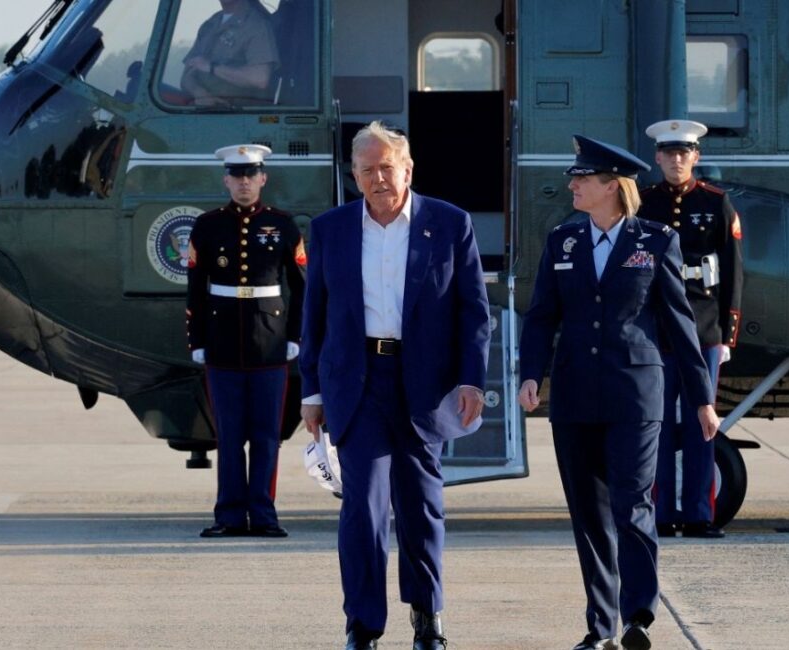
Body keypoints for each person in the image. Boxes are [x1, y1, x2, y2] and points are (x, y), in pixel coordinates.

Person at [517, 135, 719, 650]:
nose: (573, 184)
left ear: (612, 185)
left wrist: (702, 399)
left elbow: (679, 324)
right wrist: (529, 375)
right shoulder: (563, 241)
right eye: (574, 177)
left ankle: (638, 618)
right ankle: (599, 626)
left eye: (583, 178)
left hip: (635, 394)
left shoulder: (655, 242)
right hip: (575, 396)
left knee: (632, 506)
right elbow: (542, 316)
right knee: (588, 513)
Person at [298, 121, 490, 650]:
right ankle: (362, 624)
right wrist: (311, 392)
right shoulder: (331, 229)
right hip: (358, 384)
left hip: (425, 387)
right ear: (354, 175)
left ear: (407, 169)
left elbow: (474, 311)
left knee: (422, 507)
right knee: (361, 507)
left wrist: (473, 378)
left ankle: (428, 617)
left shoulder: (450, 224)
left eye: (388, 167)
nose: (379, 178)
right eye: (367, 170)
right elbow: (314, 316)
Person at [186, 143, 306, 538]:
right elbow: (195, 288)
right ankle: (230, 516)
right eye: (236, 176)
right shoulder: (207, 226)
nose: (243, 183)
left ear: (263, 178)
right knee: (230, 436)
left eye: (250, 175)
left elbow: (301, 287)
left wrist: (295, 336)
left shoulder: (284, 225)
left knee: (267, 436)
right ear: (226, 180)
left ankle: (265, 516)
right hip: (222, 342)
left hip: (269, 344)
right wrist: (197, 339)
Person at [639, 120, 743, 539]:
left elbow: (734, 271)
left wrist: (727, 335)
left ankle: (700, 514)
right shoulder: (644, 204)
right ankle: (663, 514)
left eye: (685, 153)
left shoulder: (717, 203)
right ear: (658, 157)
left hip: (703, 329)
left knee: (704, 424)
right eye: (669, 153)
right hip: (658, 331)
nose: (677, 160)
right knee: (658, 424)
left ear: (695, 157)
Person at [180, 0, 280, 107]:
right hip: (200, 112)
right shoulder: (210, 24)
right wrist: (200, 93)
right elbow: (186, 75)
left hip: (237, 115)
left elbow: (260, 79)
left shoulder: (257, 25)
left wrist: (212, 68)